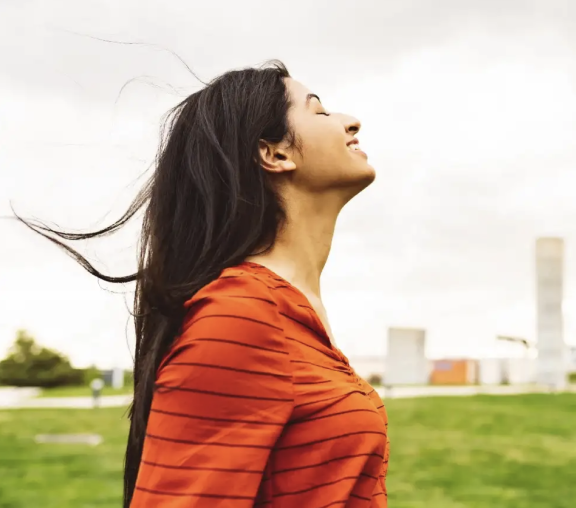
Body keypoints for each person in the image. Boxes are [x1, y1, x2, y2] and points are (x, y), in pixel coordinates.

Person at [21, 61, 389, 507]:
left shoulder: (289, 310)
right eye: (318, 111)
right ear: (274, 154)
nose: (351, 121)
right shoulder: (241, 315)